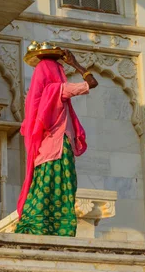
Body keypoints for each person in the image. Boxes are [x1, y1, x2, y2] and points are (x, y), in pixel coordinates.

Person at [15, 49, 98, 237]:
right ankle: (60, 228)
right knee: (62, 190)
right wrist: (75, 64)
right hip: (60, 149)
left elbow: (28, 126)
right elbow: (92, 83)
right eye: (59, 71)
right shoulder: (58, 90)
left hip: (43, 154)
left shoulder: (36, 100)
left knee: (43, 190)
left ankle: (35, 225)